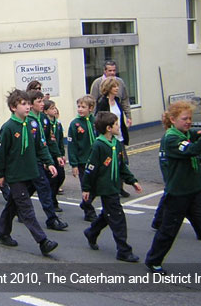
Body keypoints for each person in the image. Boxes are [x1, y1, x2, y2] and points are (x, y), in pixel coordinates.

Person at [144, 101, 201, 277]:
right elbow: (192, 150)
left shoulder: (185, 133)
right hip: (177, 194)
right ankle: (153, 260)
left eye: (190, 118)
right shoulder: (171, 138)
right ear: (172, 119)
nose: (189, 122)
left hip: (195, 193)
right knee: (168, 233)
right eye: (184, 118)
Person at [0, 89, 59, 256]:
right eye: (23, 104)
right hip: (15, 175)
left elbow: (40, 146)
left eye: (28, 103)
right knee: (26, 208)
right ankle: (43, 241)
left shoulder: (32, 124)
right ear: (13, 107)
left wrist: (48, 162)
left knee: (13, 204)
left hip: (30, 172)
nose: (28, 107)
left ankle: (2, 232)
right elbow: (1, 154)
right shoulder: (8, 128)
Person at [82, 112, 142, 262]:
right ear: (109, 128)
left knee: (108, 215)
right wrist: (86, 188)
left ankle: (92, 232)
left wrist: (132, 181)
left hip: (114, 185)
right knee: (118, 218)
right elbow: (91, 169)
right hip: (105, 188)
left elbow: (122, 166)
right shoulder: (98, 145)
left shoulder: (116, 143)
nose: (118, 126)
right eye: (116, 124)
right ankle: (123, 250)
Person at [27, 89, 68, 231]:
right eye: (39, 101)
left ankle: (14, 212)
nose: (42, 104)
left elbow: (50, 140)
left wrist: (56, 156)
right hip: (33, 161)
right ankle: (52, 219)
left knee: (27, 190)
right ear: (31, 105)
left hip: (42, 158)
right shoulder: (28, 121)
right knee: (44, 186)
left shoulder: (44, 119)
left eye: (42, 100)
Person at [95, 77, 131, 197]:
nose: (117, 88)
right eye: (114, 86)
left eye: (117, 86)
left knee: (122, 162)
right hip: (109, 138)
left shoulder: (117, 100)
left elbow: (120, 117)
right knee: (111, 163)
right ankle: (112, 187)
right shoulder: (103, 102)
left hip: (119, 135)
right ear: (109, 88)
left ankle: (120, 187)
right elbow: (99, 120)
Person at [68, 95, 98, 222]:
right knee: (86, 186)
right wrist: (74, 164)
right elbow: (72, 145)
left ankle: (85, 203)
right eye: (79, 106)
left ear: (91, 108)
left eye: (83, 107)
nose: (80, 109)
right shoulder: (75, 124)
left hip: (95, 160)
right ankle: (89, 212)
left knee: (97, 186)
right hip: (82, 161)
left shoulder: (95, 122)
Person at [89, 60, 132, 126]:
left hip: (118, 119)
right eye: (110, 70)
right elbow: (93, 102)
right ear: (105, 71)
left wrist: (128, 116)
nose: (112, 73)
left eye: (114, 70)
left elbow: (125, 100)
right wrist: (93, 120)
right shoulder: (97, 83)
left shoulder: (120, 82)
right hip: (104, 121)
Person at [43, 99, 66, 213]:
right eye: (52, 108)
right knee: (52, 179)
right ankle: (52, 202)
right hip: (49, 155)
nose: (55, 110)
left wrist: (62, 154)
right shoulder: (45, 124)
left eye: (55, 107)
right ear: (46, 111)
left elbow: (60, 140)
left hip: (57, 154)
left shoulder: (57, 124)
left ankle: (52, 197)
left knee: (61, 176)